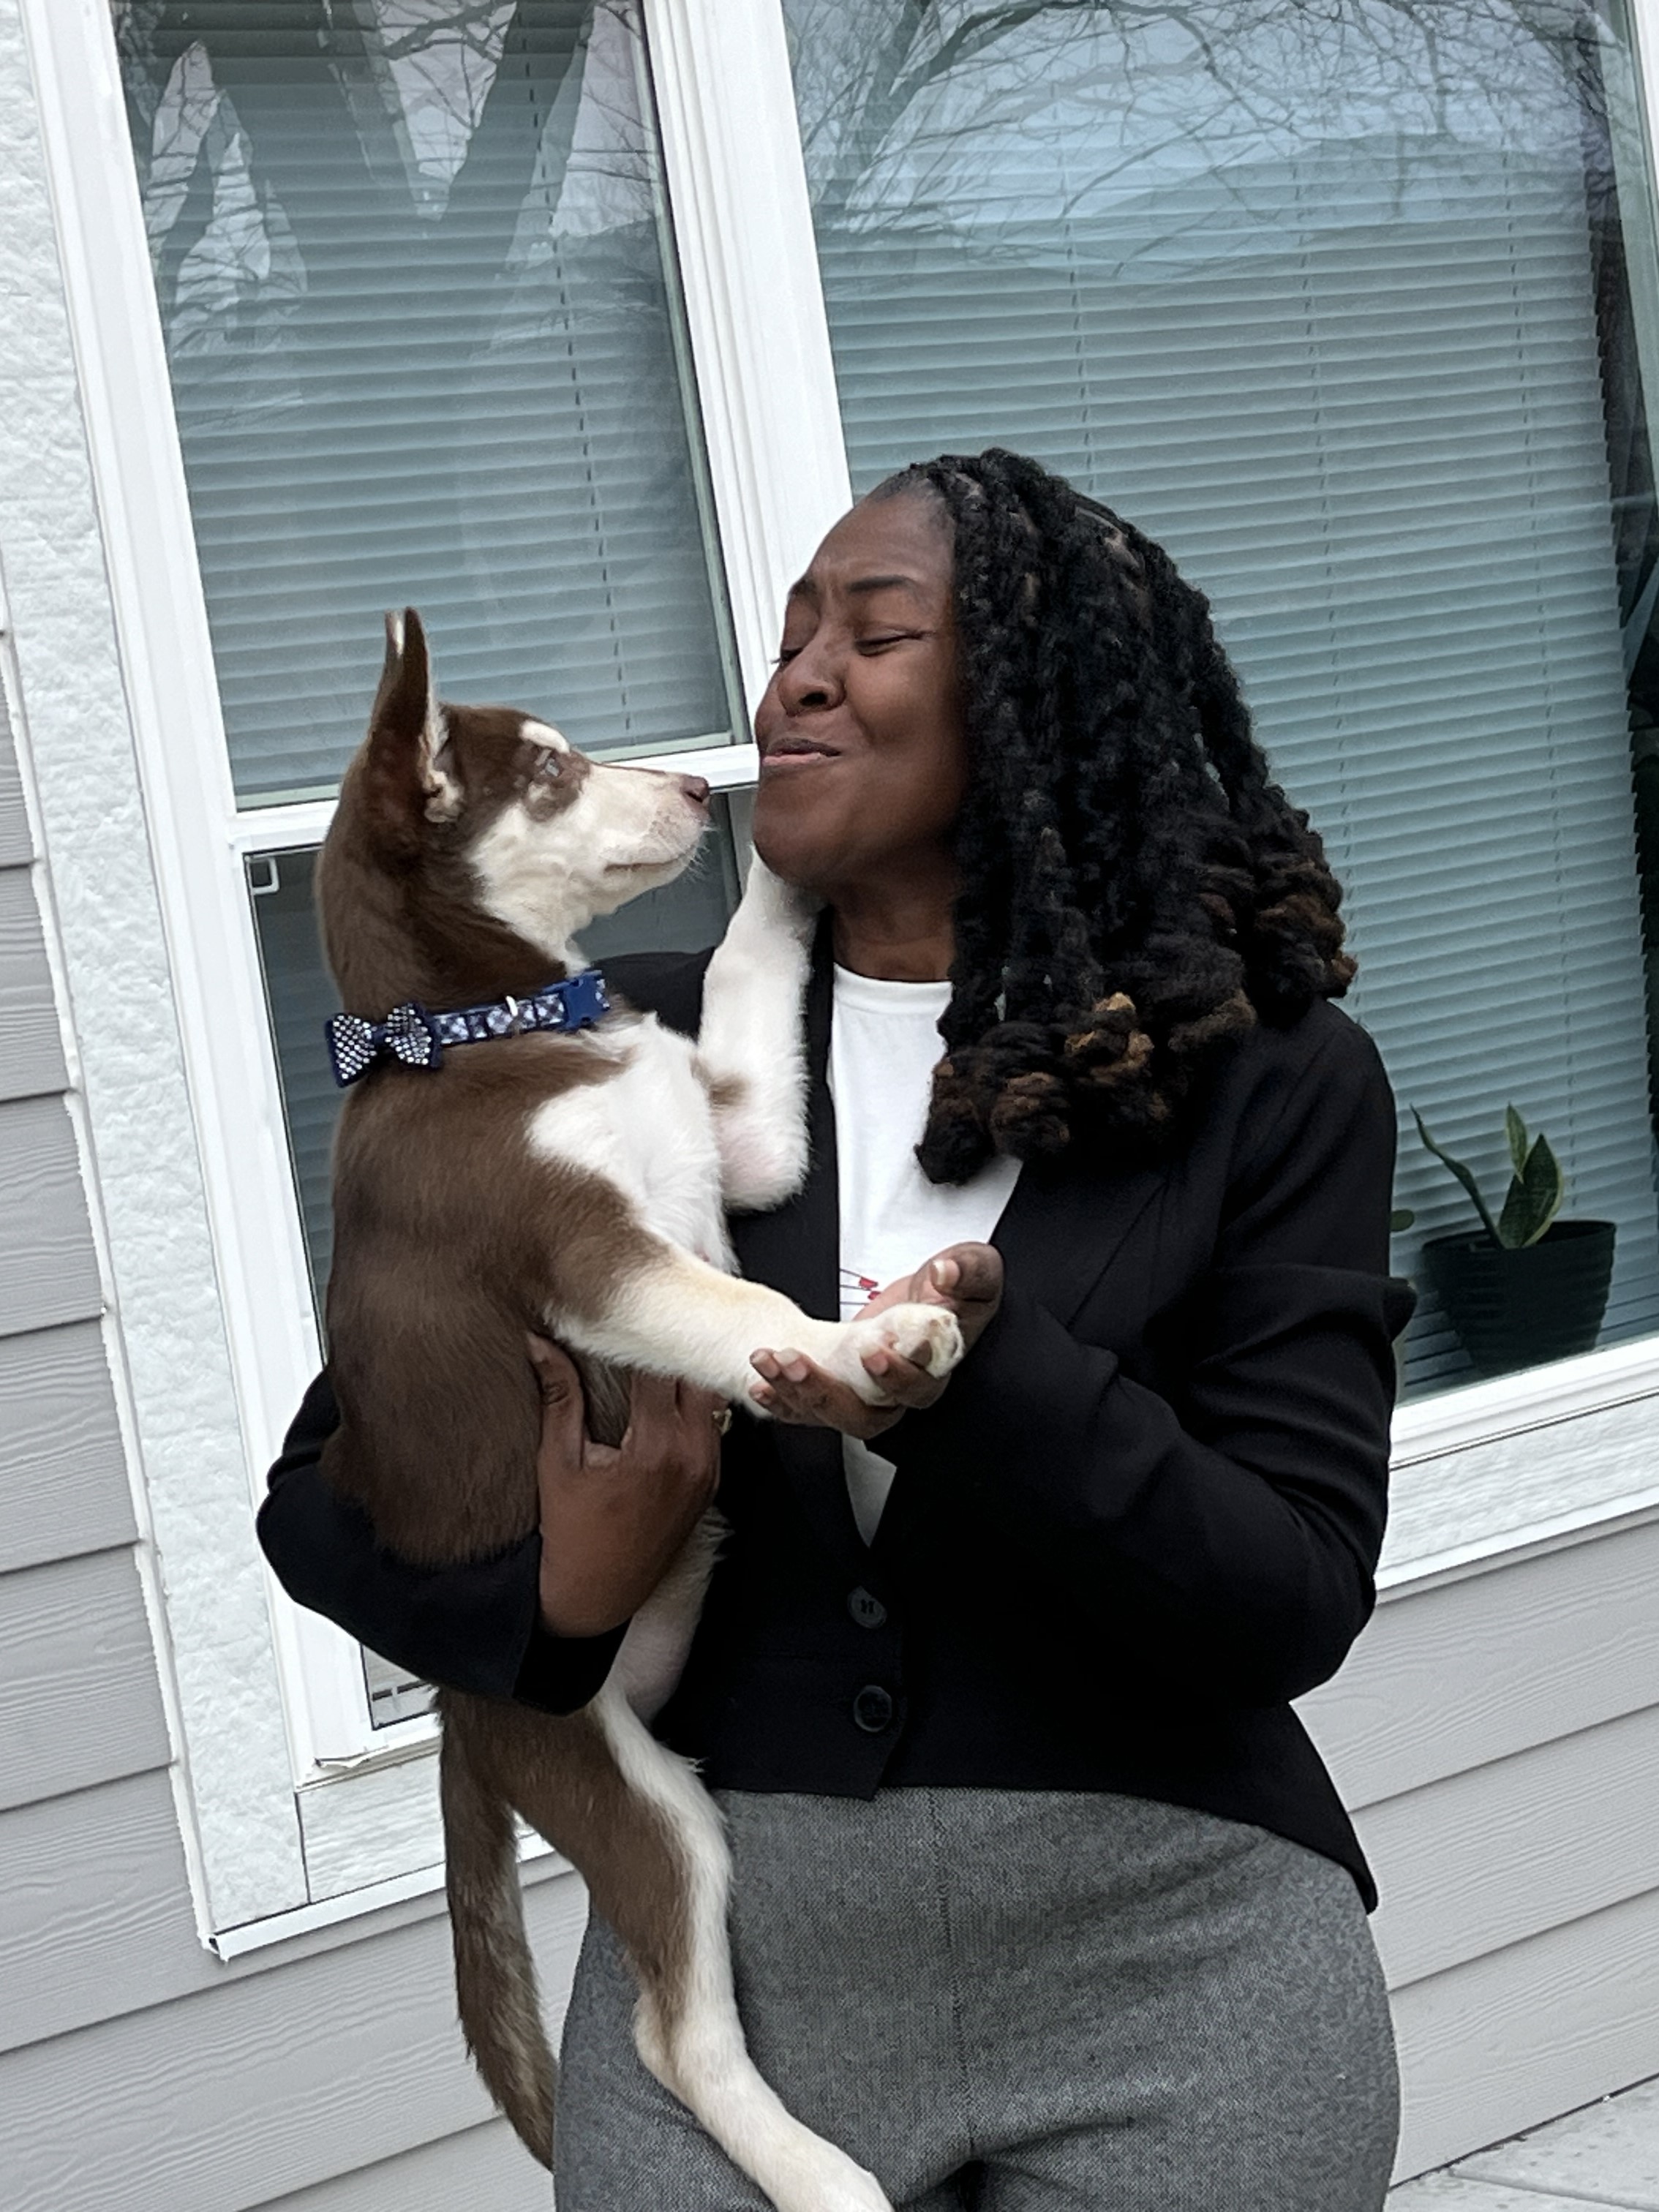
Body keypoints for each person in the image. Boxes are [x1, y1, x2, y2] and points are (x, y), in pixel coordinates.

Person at [260, 447, 1411, 2211]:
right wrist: (558, 1597)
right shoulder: (607, 1050)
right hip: (742, 1988)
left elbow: (1295, 1586)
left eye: (874, 633)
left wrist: (979, 1381)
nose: (796, 670)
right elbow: (328, 1497)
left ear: (1033, 704)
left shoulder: (1265, 1077)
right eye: (794, 625)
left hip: (1172, 1965)